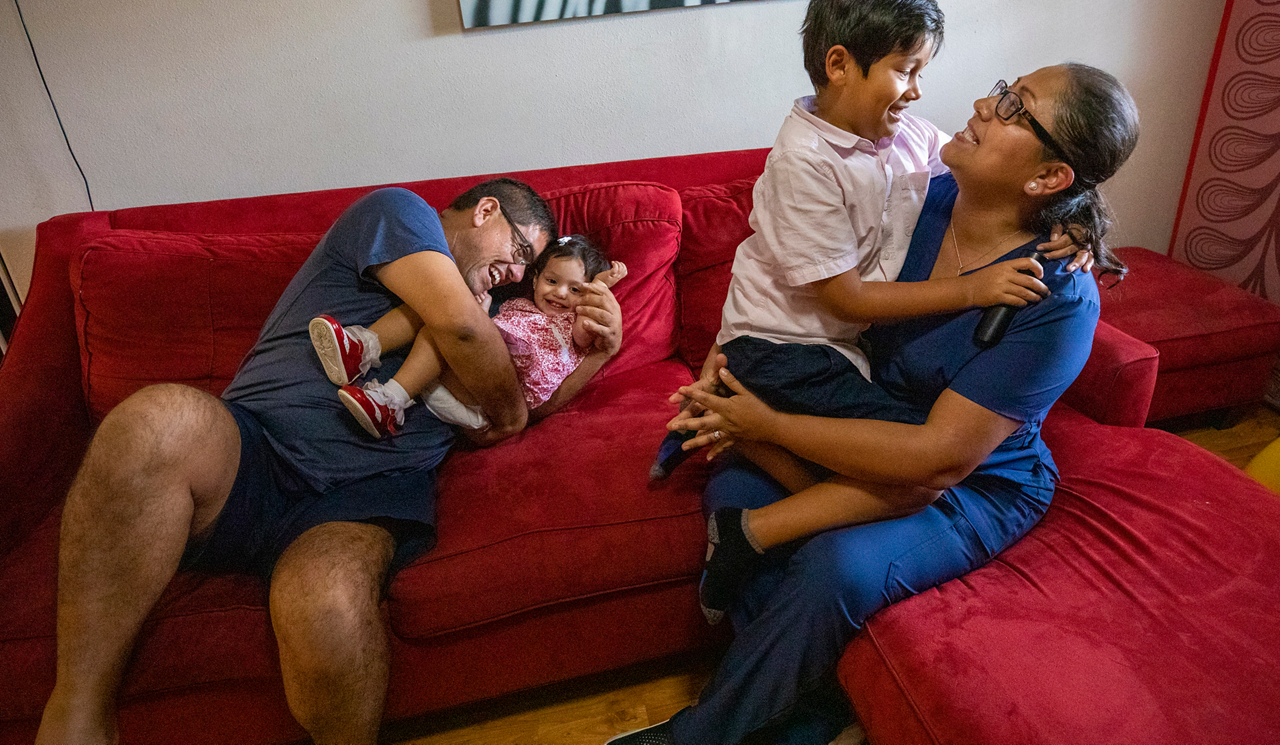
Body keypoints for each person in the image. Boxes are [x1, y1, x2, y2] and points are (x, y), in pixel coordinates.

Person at [606, 62, 1140, 745]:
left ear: (1047, 179)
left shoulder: (1056, 294)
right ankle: (808, 718)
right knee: (736, 487)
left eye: (1013, 106)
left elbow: (939, 459)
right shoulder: (921, 196)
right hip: (867, 411)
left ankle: (701, 737)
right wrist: (732, 350)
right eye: (1003, 87)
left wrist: (766, 425)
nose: (983, 101)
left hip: (974, 481)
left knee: (837, 565)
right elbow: (790, 274)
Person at [36, 178, 624, 745]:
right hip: (253, 447)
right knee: (154, 419)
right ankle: (78, 714)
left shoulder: (497, 303)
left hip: (365, 492)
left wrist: (599, 351)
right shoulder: (402, 213)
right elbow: (471, 347)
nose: (518, 275)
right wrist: (508, 412)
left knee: (329, 603)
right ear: (485, 211)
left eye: (529, 266)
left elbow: (522, 398)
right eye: (520, 250)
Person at [648, 0, 1087, 625]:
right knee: (913, 477)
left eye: (921, 73)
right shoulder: (805, 161)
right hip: (788, 348)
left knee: (904, 471)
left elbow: (1001, 174)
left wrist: (1081, 221)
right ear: (838, 65)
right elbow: (845, 301)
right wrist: (972, 290)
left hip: (820, 352)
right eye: (906, 69)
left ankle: (742, 462)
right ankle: (746, 466)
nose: (916, 92)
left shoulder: (904, 136)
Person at [309, 234, 627, 437]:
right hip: (462, 380)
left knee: (445, 327)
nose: (559, 293)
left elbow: (590, 323)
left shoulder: (571, 326)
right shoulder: (520, 307)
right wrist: (481, 309)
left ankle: (390, 401)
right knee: (439, 309)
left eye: (574, 289)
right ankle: (361, 347)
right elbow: (489, 328)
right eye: (552, 280)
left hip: (488, 405)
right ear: (534, 280)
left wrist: (600, 286)